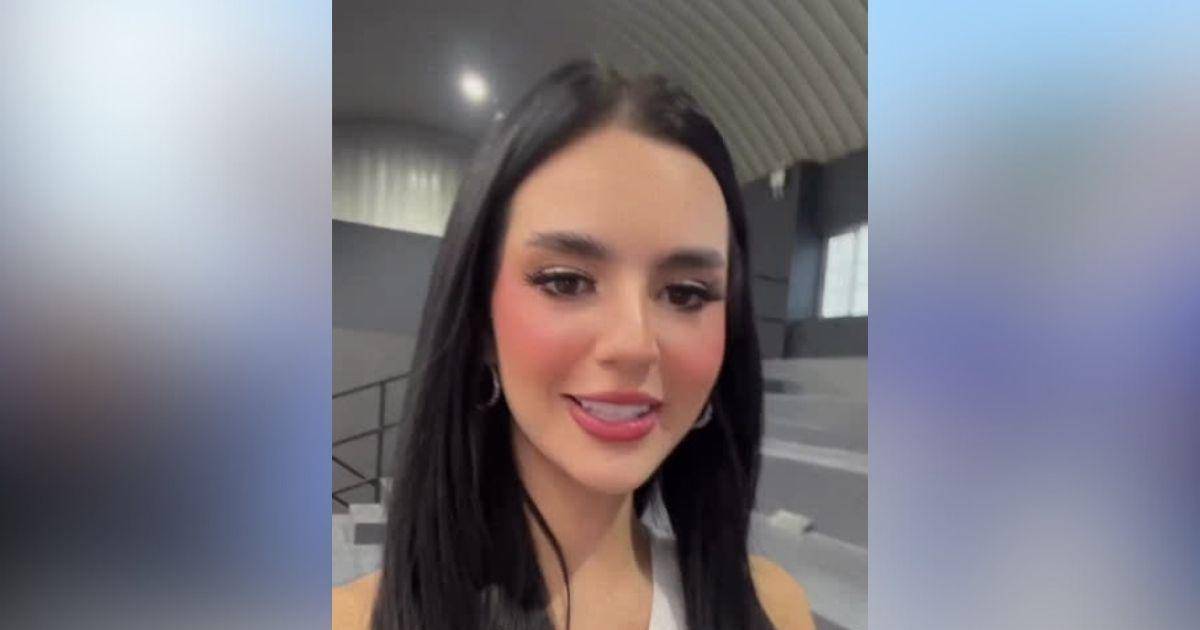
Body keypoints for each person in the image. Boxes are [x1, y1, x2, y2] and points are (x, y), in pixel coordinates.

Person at [333, 59, 815, 630]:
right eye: (566, 282)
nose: (635, 344)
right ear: (480, 321)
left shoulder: (775, 609)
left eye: (685, 293)